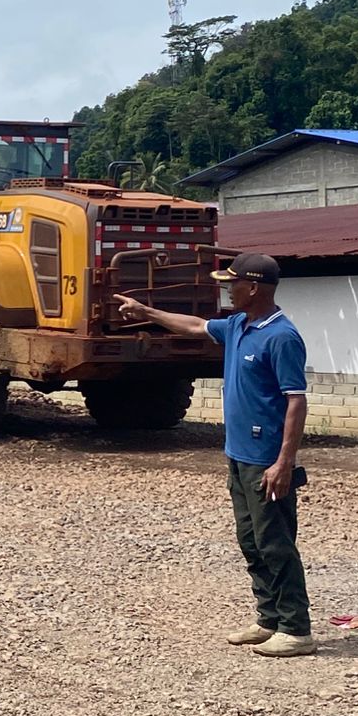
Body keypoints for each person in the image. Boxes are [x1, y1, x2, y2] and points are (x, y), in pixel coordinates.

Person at [113, 253, 313, 658]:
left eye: (232, 283)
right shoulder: (238, 325)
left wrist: (284, 462)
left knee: (275, 543)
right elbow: (194, 325)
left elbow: (296, 401)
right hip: (239, 455)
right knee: (251, 540)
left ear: (253, 287)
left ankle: (296, 628)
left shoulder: (281, 337)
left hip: (266, 459)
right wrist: (147, 312)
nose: (227, 289)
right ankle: (269, 618)